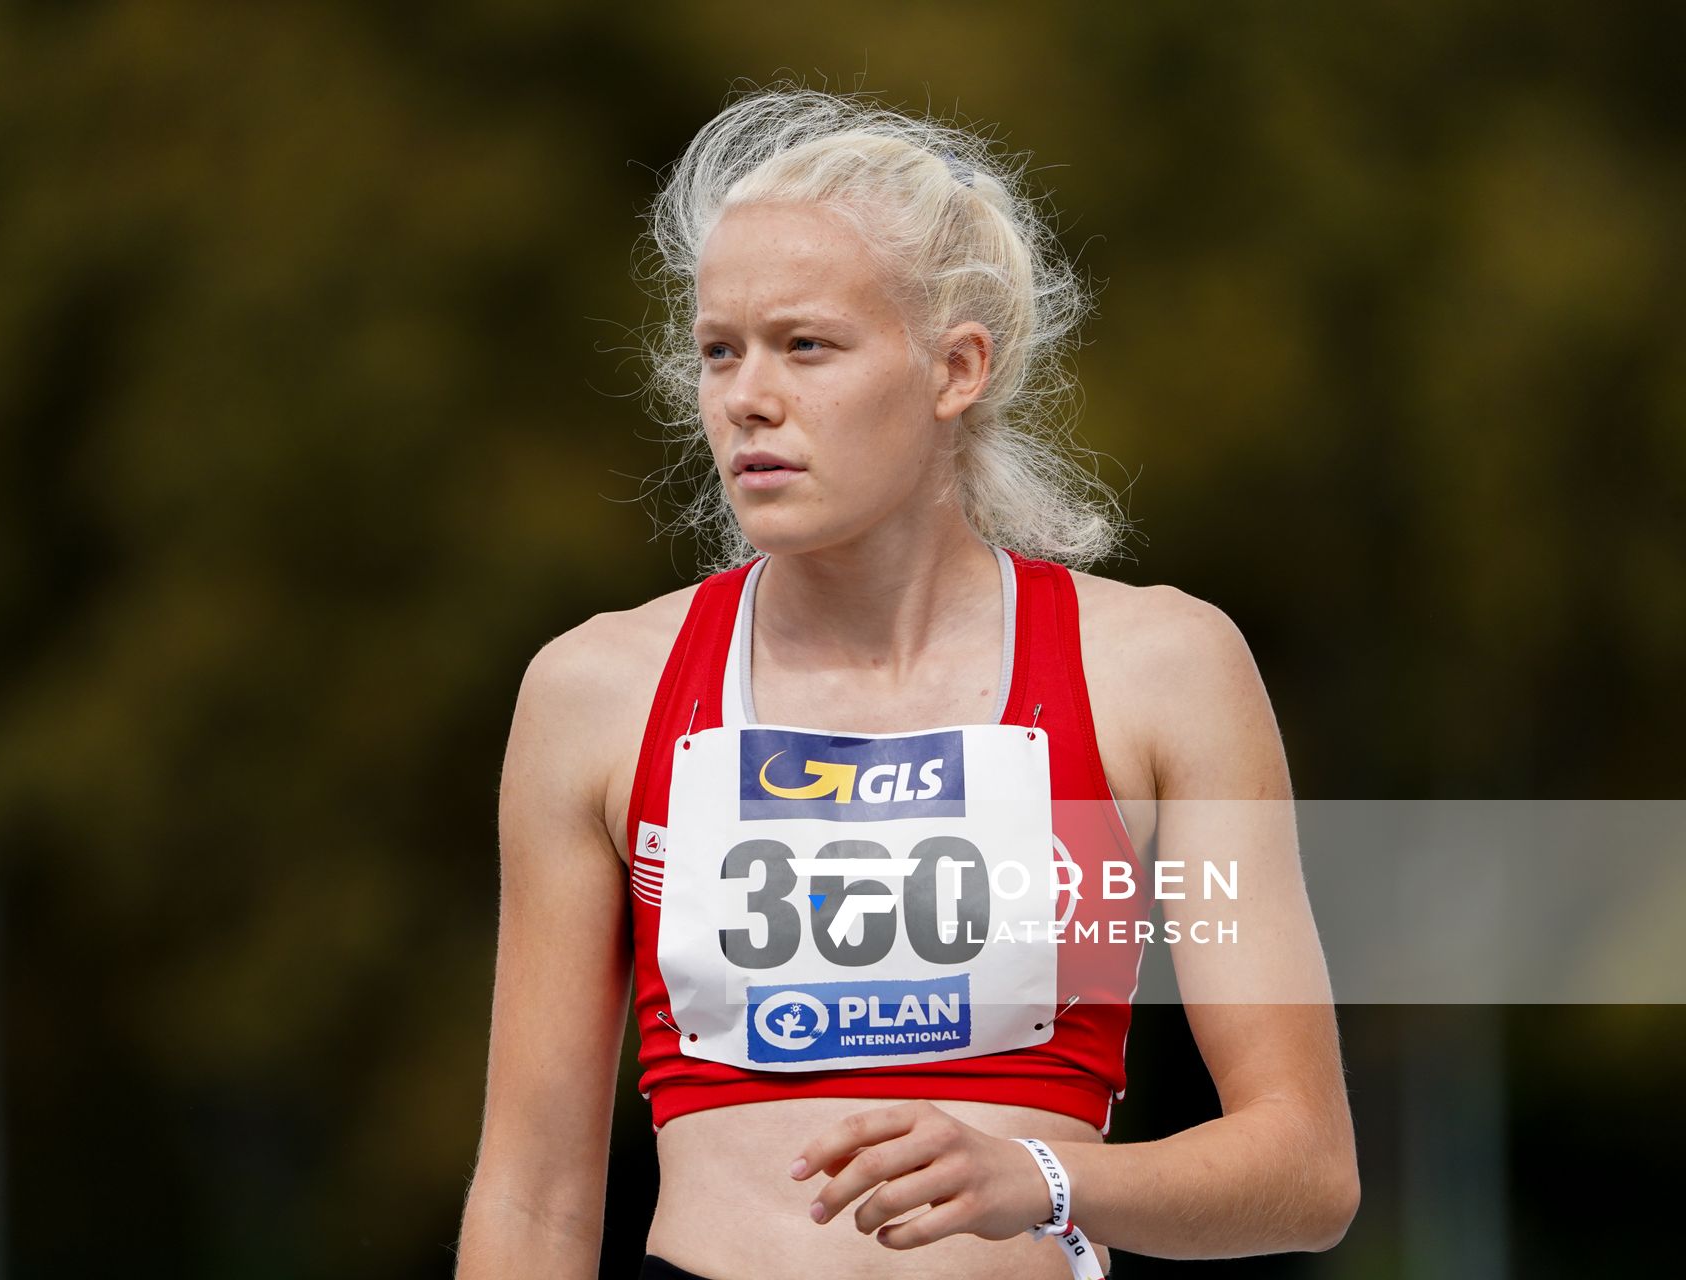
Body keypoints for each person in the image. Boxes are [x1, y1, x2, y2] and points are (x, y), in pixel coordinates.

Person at [454, 85, 1358, 1279]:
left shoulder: (1159, 669)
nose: (746, 397)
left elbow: (1305, 1169)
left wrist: (1039, 1178)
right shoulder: (596, 691)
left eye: (807, 344)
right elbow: (530, 1196)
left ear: (955, 368)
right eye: (720, 349)